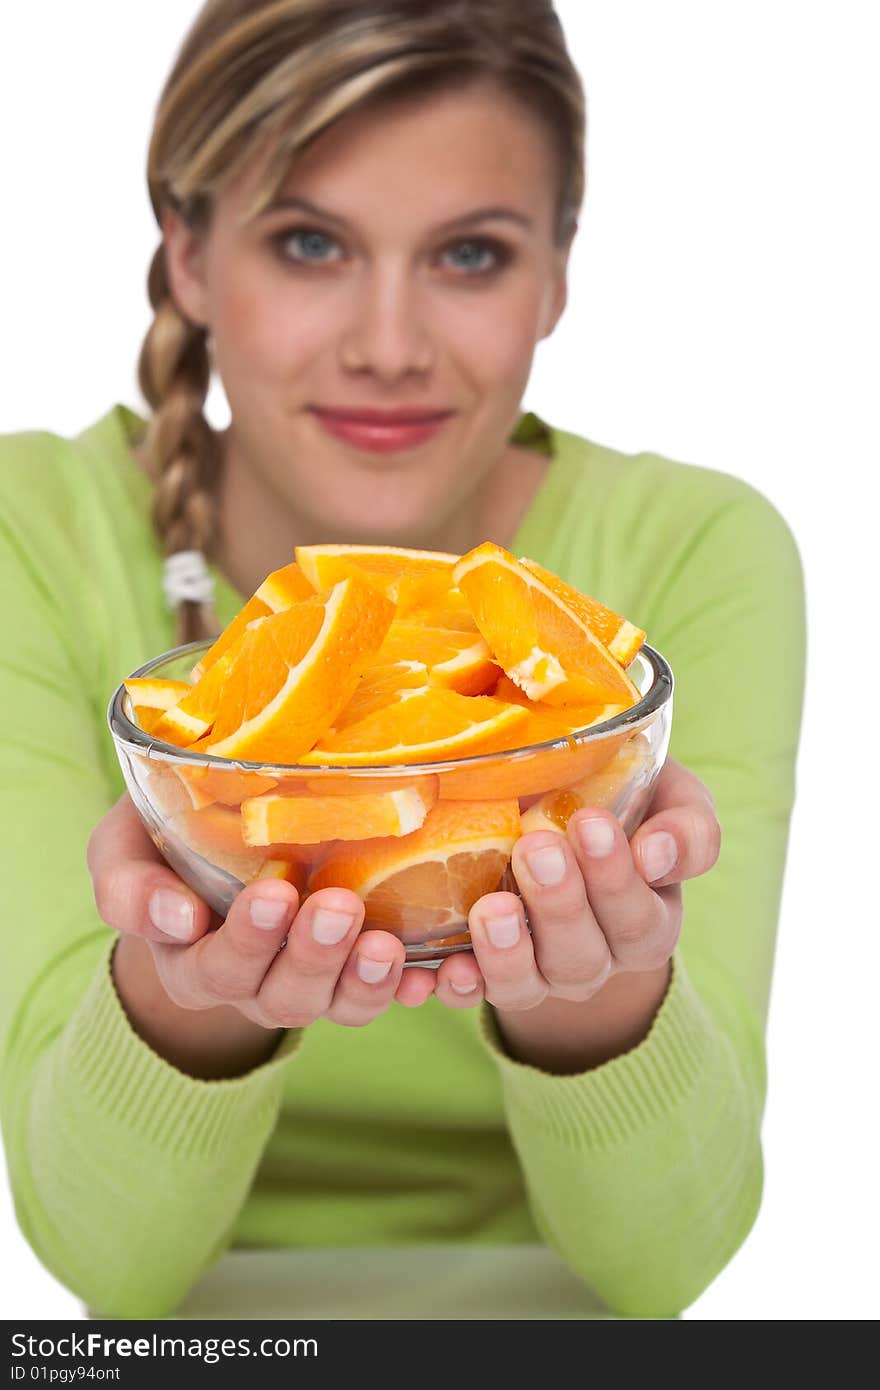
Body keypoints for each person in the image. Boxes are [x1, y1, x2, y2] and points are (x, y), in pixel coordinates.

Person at [0, 0, 805, 1322]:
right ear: (188, 258)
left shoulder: (690, 558)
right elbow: (103, 1264)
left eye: (471, 255)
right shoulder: (31, 533)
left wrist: (598, 992)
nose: (387, 344)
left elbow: (669, 1266)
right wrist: (184, 994)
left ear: (557, 273)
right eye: (310, 243)